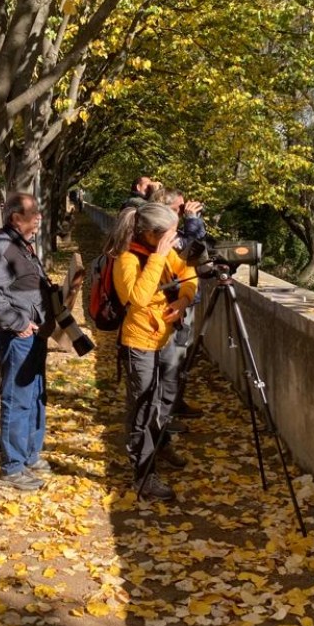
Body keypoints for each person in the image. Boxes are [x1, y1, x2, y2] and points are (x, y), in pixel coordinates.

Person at [108, 202, 197, 501]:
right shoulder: (126, 259)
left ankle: (158, 449)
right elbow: (138, 298)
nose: (174, 242)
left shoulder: (162, 250)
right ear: (150, 235)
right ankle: (144, 477)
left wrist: (183, 302)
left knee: (157, 403)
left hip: (162, 337)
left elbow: (189, 274)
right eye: (168, 236)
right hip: (139, 343)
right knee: (142, 408)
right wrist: (158, 257)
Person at [0, 193, 56, 492]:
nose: (38, 218)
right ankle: (11, 469)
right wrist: (18, 323)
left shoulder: (21, 244)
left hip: (34, 333)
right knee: (17, 398)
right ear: (15, 218)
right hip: (16, 335)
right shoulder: (2, 247)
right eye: (33, 213)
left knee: (35, 395)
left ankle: (29, 456)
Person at [150, 187, 207, 420]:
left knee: (181, 358)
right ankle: (165, 416)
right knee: (171, 363)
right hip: (171, 306)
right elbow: (187, 251)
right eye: (177, 209)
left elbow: (200, 248)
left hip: (183, 299)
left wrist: (194, 222)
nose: (181, 214)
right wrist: (192, 222)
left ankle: (175, 404)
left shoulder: (174, 230)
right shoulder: (161, 235)